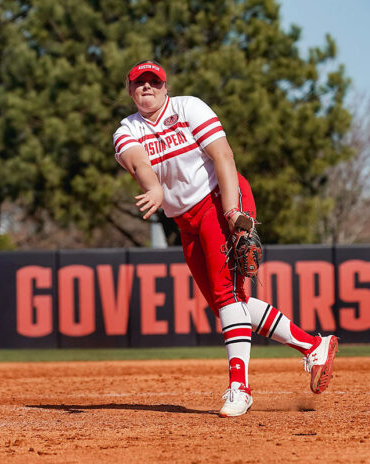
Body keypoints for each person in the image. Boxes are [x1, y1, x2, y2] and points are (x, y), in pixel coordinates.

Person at [113, 60, 338, 417]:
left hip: (222, 200)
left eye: (154, 82)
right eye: (139, 83)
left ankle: (240, 388)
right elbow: (138, 162)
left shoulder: (189, 107)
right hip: (186, 221)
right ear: (129, 91)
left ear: (165, 86)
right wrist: (154, 186)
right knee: (229, 304)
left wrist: (233, 213)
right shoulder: (127, 129)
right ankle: (313, 345)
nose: (147, 88)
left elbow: (223, 156)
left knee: (226, 297)